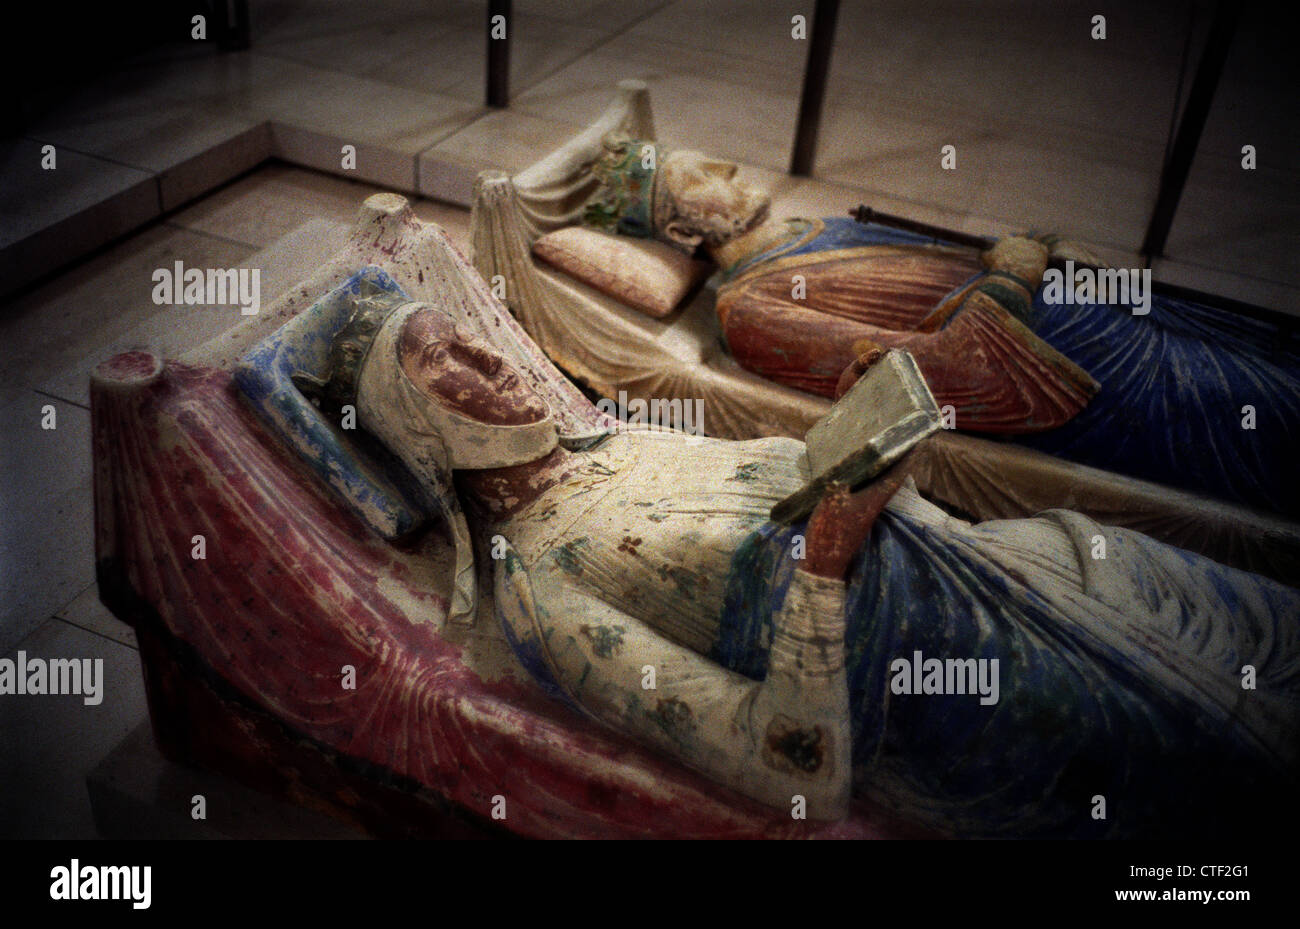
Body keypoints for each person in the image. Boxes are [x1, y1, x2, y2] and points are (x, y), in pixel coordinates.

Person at [233, 265, 1299, 838]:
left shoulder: (633, 434)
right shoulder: (544, 593)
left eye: (467, 331)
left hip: (1024, 559)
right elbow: (793, 770)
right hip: (977, 692)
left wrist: (877, 447)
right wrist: (825, 569)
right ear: (419, 435)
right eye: (442, 361)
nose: (488, 352)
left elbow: (836, 482)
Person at [580, 135, 1300, 518]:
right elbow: (943, 377)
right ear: (678, 227)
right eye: (701, 172)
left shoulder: (815, 228)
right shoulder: (751, 311)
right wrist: (1012, 276)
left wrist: (1041, 258)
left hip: (1095, 316)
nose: (729, 163)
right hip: (1085, 376)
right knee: (1268, 417)